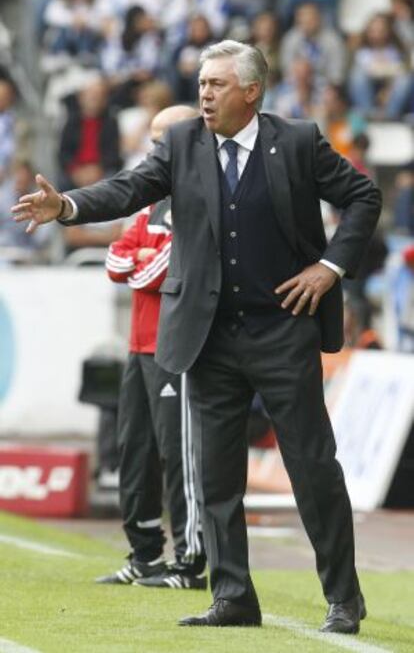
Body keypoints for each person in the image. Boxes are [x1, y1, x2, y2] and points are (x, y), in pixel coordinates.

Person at [12, 40, 382, 634]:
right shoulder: (182, 143)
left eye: (216, 85)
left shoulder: (297, 141)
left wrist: (330, 267)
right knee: (214, 475)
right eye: (202, 84)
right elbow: (130, 189)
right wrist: (67, 207)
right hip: (207, 337)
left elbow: (363, 195)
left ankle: (344, 596)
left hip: (283, 331)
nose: (203, 94)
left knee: (313, 468)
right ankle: (233, 595)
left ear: (251, 91)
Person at [96, 104, 206, 589]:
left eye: (164, 138)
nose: (154, 147)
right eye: (153, 137)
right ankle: (145, 556)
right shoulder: (148, 203)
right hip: (138, 344)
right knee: (134, 450)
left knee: (177, 455)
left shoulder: (196, 197)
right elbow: (116, 264)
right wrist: (141, 258)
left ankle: (189, 561)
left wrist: (141, 258)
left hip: (176, 346)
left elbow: (151, 269)